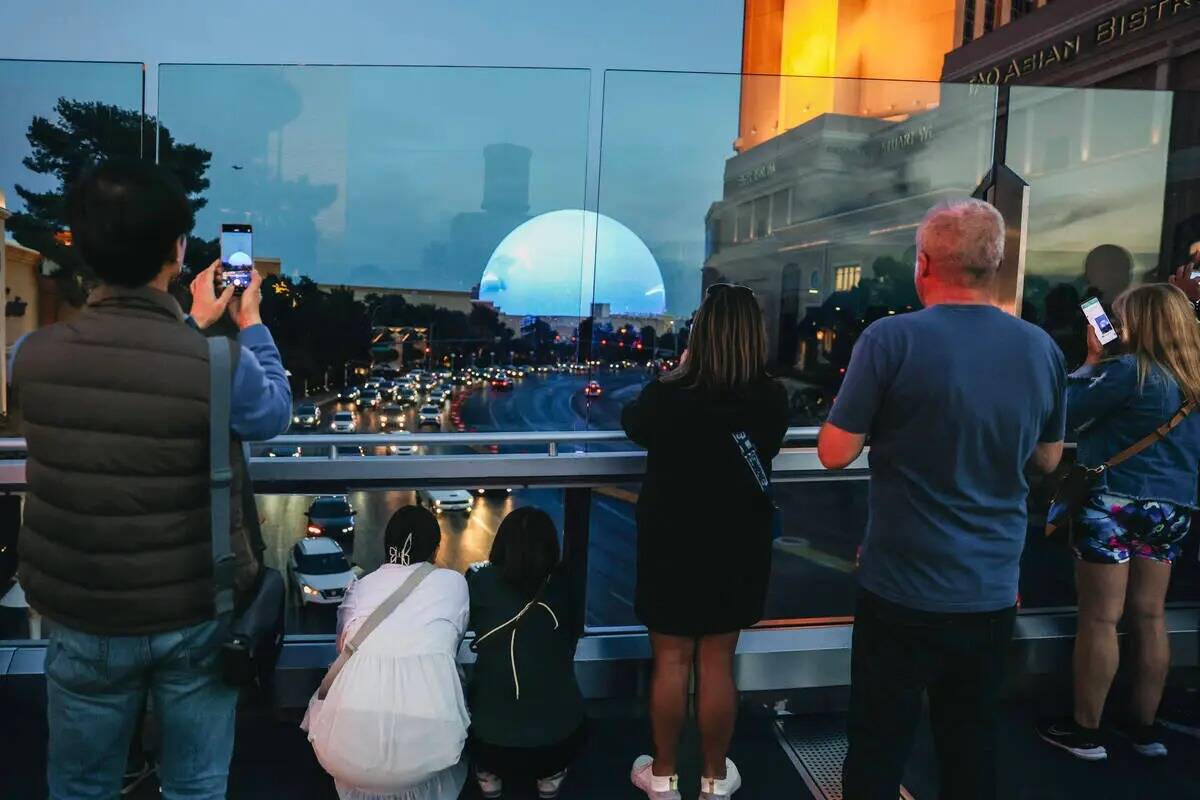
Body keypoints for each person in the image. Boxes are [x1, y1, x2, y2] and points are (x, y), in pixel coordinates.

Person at [11, 159, 291, 800]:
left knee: (81, 785)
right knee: (194, 784)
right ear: (178, 251)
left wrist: (186, 324)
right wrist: (245, 322)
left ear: (80, 248)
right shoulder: (217, 363)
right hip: (194, 612)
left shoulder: (33, 357)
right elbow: (271, 411)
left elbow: (125, 381)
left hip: (81, 611)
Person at [818, 198, 1066, 800]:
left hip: (899, 584)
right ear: (996, 265)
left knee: (879, 739)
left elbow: (833, 452)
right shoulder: (1041, 349)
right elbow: (1048, 459)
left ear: (923, 264)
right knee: (970, 738)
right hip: (989, 587)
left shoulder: (889, 339)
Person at [622, 284, 789, 800]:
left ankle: (665, 776)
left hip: (672, 540)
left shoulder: (668, 395)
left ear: (700, 334)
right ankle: (715, 778)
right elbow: (771, 444)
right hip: (738, 542)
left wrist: (678, 370)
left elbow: (633, 425)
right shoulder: (770, 398)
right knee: (718, 660)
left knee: (671, 661)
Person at [1035, 284, 1200, 760]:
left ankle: (1086, 731)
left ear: (1143, 323)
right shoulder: (1192, 376)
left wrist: (1090, 360)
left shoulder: (1130, 371)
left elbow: (1060, 409)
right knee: (1150, 615)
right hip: (1172, 509)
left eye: (1123, 318)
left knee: (1101, 618)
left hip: (1114, 506)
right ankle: (1144, 728)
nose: (1117, 327)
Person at [303, 505, 470, 800]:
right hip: (429, 755)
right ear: (435, 549)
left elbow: (342, 647)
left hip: (345, 755)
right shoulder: (453, 583)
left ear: (387, 545)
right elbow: (450, 645)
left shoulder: (360, 588)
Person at [466, 506, 586, 800]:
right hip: (557, 744)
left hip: (489, 743)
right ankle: (549, 777)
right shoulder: (564, 584)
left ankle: (488, 775)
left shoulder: (478, 581)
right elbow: (571, 640)